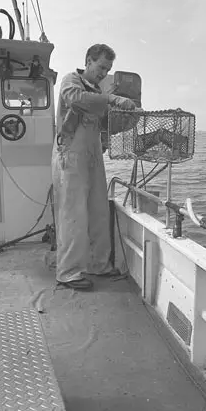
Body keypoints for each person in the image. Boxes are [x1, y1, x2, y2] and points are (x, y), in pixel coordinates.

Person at [52, 44, 136, 290]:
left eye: (108, 69)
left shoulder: (98, 91)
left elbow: (106, 125)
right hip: (71, 155)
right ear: (88, 61)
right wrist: (111, 98)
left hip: (93, 156)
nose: (103, 73)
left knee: (98, 211)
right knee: (73, 215)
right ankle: (68, 272)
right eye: (101, 67)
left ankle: (99, 265)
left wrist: (128, 118)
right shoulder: (71, 81)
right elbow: (75, 99)